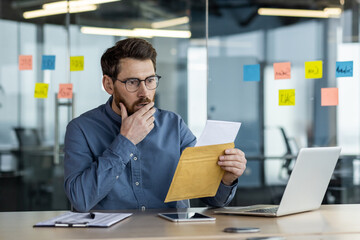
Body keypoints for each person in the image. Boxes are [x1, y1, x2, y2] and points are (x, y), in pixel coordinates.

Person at [64, 38, 247, 212]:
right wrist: (125, 141)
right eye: (132, 82)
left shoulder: (174, 125)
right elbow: (80, 200)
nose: (144, 92)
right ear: (109, 85)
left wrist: (226, 179)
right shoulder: (81, 129)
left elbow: (212, 199)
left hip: (170, 235)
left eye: (150, 80)